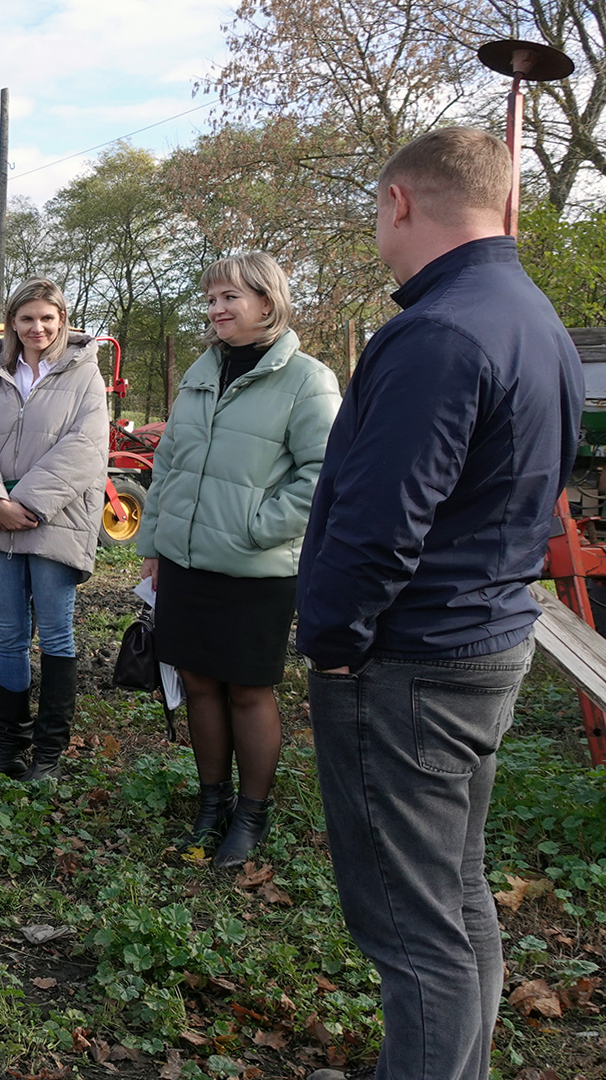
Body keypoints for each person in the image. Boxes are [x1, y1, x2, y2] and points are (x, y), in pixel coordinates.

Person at [298, 127, 581, 1080]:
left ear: (400, 202)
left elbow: (380, 524)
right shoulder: (532, 316)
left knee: (412, 930)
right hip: (484, 637)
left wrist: (333, 643)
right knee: (454, 896)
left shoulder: (437, 333)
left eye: (377, 211)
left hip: (411, 661)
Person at [135, 253, 339, 868]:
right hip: (188, 562)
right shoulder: (202, 372)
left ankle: (251, 813)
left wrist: (257, 527)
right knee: (198, 683)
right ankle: (211, 802)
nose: (217, 308)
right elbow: (167, 463)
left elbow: (324, 473)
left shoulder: (306, 379)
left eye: (231, 297)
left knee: (249, 691)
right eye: (212, 298)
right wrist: (155, 543)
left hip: (256, 568)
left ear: (268, 302)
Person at [0, 279, 106, 782]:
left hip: (56, 520)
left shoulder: (85, 374)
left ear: (61, 319)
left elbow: (86, 447)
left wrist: (27, 503)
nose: (37, 327)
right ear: (12, 323)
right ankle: (8, 745)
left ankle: (48, 753)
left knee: (57, 635)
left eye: (47, 317)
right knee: (12, 635)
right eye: (26, 319)